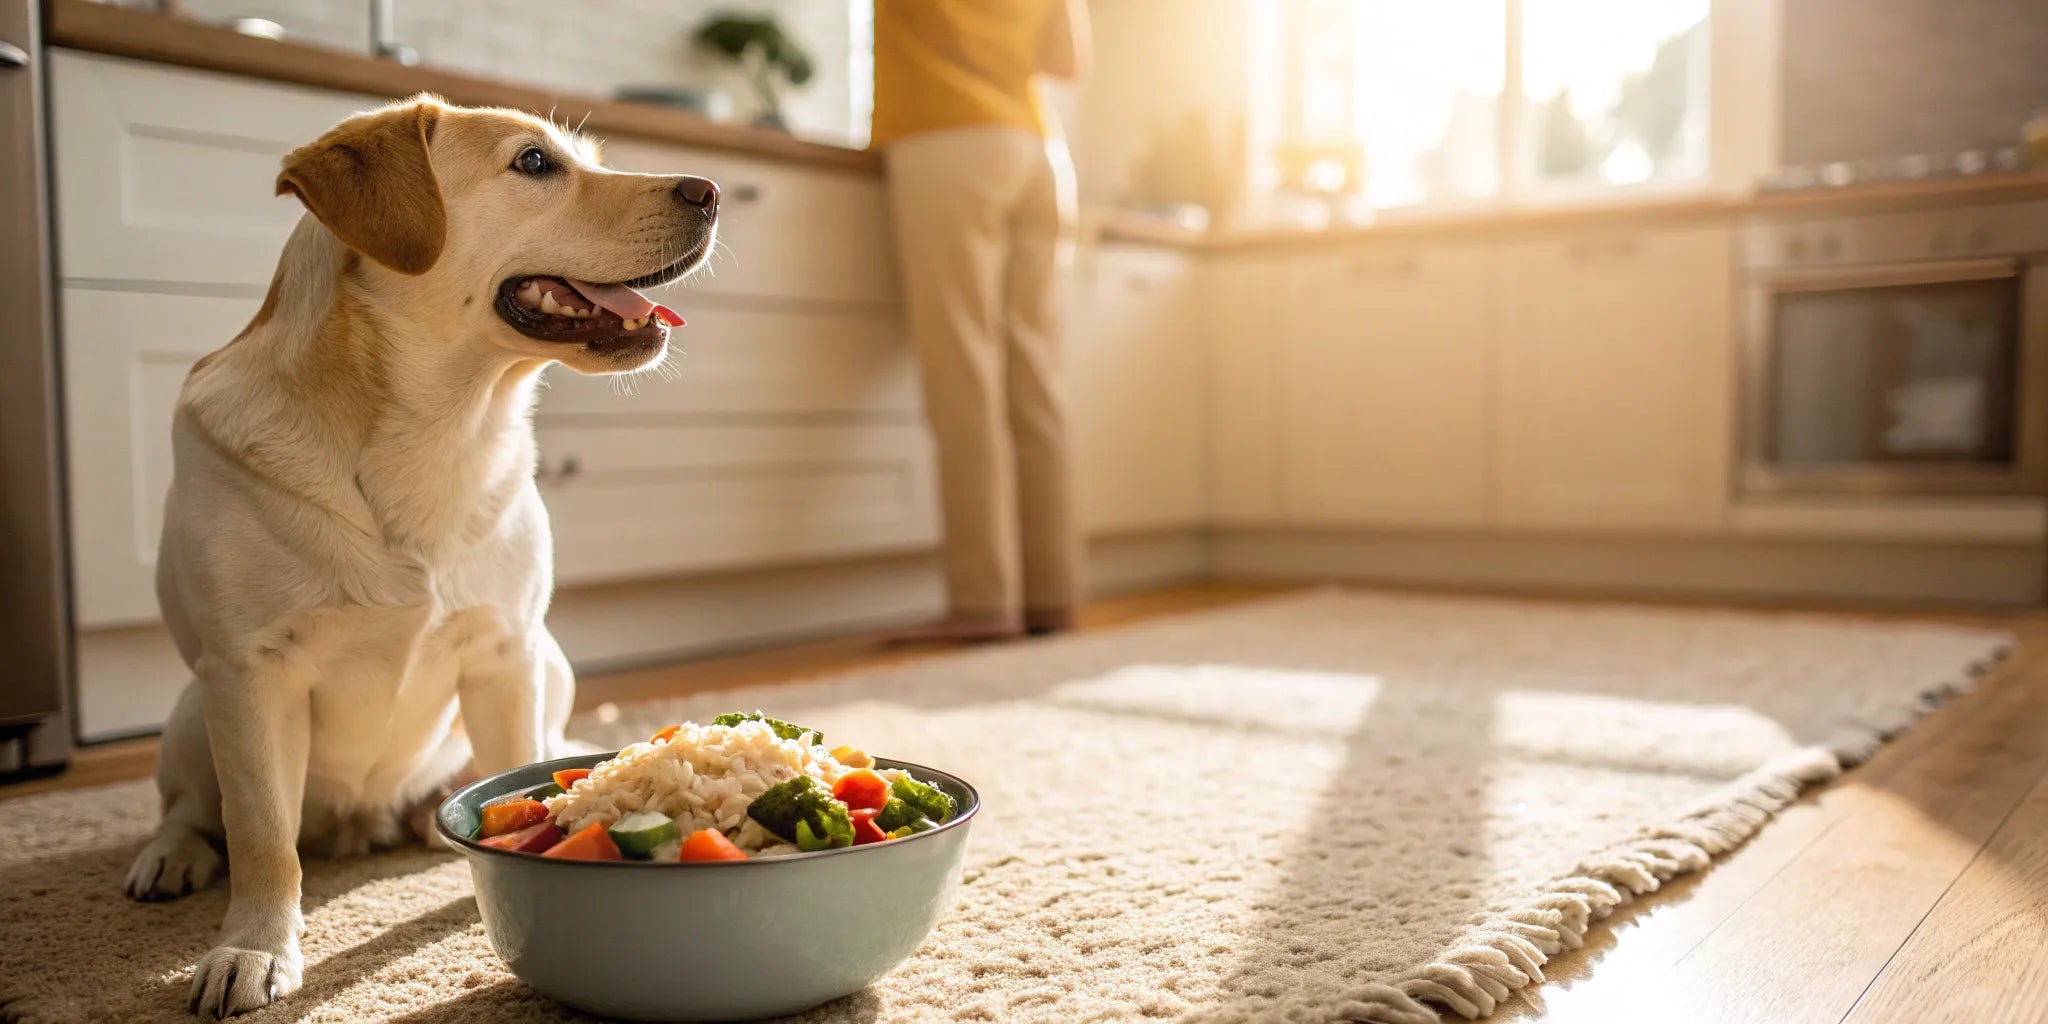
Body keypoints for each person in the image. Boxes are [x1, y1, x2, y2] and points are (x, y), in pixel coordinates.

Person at [871, 0, 1091, 643]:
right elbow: (1067, 63)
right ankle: (1053, 595)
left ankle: (983, 602)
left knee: (964, 369)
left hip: (947, 134)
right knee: (1037, 377)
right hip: (1038, 148)